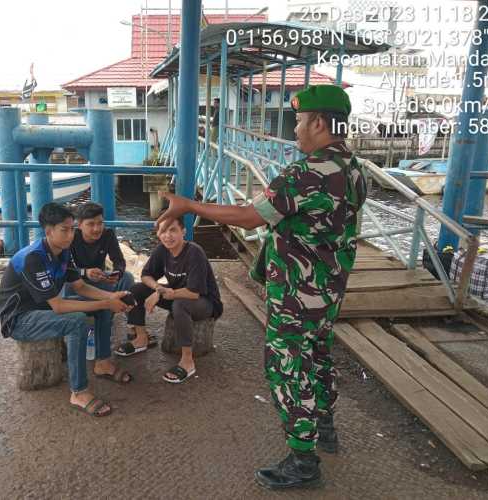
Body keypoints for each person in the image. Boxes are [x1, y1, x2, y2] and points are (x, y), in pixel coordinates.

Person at [156, 85, 367, 489]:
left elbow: (249, 217)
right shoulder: (355, 169)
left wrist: (189, 205)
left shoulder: (306, 172)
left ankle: (303, 460)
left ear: (320, 122)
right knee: (318, 354)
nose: (296, 132)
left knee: (288, 366)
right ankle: (325, 428)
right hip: (328, 290)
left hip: (296, 295)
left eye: (300, 122)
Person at [0, 202, 133, 417]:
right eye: (64, 230)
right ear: (48, 231)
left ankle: (103, 362)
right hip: (19, 320)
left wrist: (111, 297)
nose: (70, 235)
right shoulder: (33, 258)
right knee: (77, 321)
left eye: (72, 229)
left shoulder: (62, 251)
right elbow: (59, 306)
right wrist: (106, 302)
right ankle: (78, 391)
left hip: (43, 310)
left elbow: (79, 285)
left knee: (102, 309)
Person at [115, 215, 223, 384]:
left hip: (205, 302)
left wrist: (159, 294)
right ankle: (141, 338)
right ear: (158, 233)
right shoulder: (162, 250)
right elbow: (145, 275)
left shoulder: (194, 252)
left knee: (180, 305)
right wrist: (158, 288)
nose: (168, 235)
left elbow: (194, 293)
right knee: (135, 290)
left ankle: (187, 361)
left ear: (183, 232)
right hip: (176, 295)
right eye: (163, 231)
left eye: (173, 230)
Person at [64, 201, 144, 380]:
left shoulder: (107, 235)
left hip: (100, 281)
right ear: (79, 225)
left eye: (100, 223)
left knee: (128, 278)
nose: (96, 228)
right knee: (104, 309)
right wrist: (85, 272)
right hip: (76, 283)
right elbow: (63, 271)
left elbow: (119, 261)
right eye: (90, 224)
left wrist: (116, 273)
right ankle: (103, 359)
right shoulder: (71, 238)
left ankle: (131, 320)